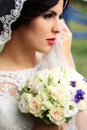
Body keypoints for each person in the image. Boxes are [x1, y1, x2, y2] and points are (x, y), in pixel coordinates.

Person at [0, 0, 87, 130]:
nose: (58, 28)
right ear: (22, 15)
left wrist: (66, 61)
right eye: (48, 16)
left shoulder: (56, 63)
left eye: (60, 17)